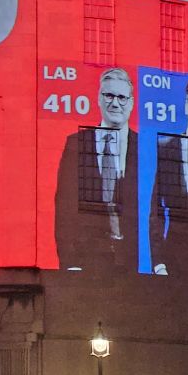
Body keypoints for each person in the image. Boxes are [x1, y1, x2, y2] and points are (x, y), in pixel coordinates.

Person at [54, 67, 138, 272]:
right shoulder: (76, 143)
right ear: (99, 99)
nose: (115, 103)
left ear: (131, 103)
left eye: (121, 97)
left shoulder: (144, 146)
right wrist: (70, 263)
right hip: (86, 262)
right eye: (109, 95)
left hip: (133, 264)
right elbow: (65, 206)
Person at [149, 78, 188, 277]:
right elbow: (156, 210)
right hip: (173, 261)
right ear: (185, 107)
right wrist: (159, 263)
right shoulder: (167, 148)